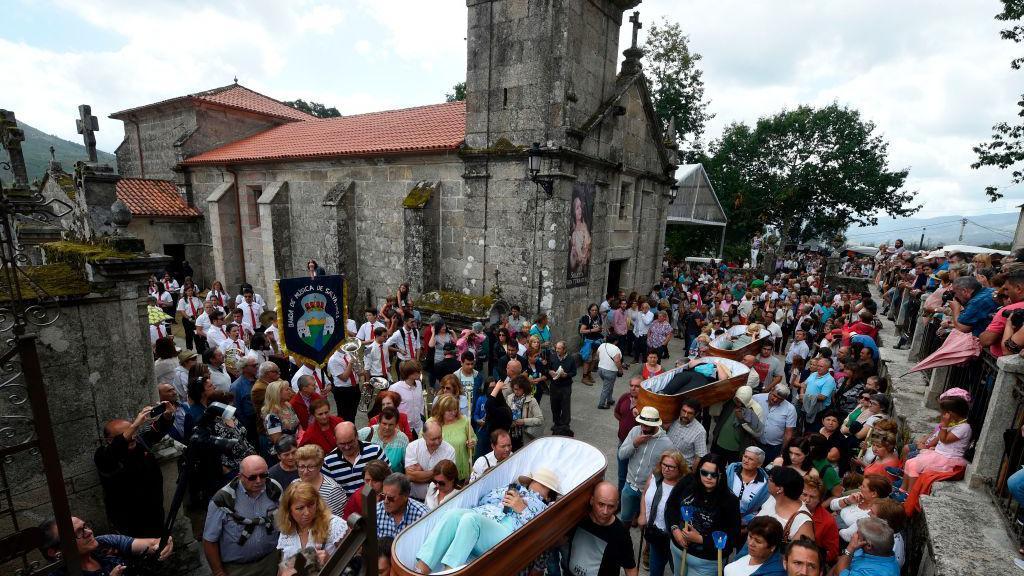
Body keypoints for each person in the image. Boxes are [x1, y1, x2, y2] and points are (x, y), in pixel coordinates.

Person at [413, 468, 560, 574]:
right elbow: (483, 500)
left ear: (549, 496)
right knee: (452, 514)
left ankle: (450, 572)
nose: (536, 484)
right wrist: (502, 497)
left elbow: (540, 531)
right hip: (484, 520)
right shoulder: (513, 488)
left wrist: (522, 509)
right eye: (535, 481)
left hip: (507, 535)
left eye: (542, 485)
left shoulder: (544, 508)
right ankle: (420, 569)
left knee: (471, 520)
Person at [94, 404, 172, 537]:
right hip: (129, 521)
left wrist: (167, 416)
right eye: (128, 433)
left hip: (154, 513)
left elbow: (156, 432)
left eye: (134, 432)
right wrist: (135, 425)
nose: (132, 437)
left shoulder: (140, 443)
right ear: (109, 440)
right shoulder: (104, 456)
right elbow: (116, 448)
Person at [203, 455, 281, 576]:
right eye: (252, 477)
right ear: (240, 477)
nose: (259, 481)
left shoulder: (274, 489)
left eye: (263, 475)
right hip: (239, 569)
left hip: (271, 561)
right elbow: (209, 540)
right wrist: (218, 572)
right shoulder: (223, 500)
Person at [664, 454, 741, 576]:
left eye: (714, 474)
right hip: (678, 549)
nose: (708, 477)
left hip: (706, 561)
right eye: (704, 473)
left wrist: (700, 539)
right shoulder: (688, 482)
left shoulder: (730, 500)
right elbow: (671, 506)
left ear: (721, 475)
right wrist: (675, 530)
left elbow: (732, 536)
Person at [41, 516, 174, 576]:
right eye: (78, 533)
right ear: (54, 552)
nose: (89, 532)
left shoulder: (103, 542)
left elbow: (151, 544)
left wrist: (162, 543)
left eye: (85, 526)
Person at [901, 395, 971, 493]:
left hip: (948, 458)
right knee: (909, 462)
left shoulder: (964, 427)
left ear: (950, 413)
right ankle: (902, 490)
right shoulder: (955, 423)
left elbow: (944, 440)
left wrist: (944, 425)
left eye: (943, 412)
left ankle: (909, 494)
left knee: (913, 465)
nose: (941, 415)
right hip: (939, 454)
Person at [564, 481, 638, 576]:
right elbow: (561, 541)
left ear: (616, 505)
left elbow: (630, 569)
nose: (605, 511)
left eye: (611, 506)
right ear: (592, 500)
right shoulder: (579, 519)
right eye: (601, 504)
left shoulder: (620, 533)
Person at [619, 406, 674, 523]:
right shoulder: (635, 431)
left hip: (649, 491)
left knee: (645, 524)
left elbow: (670, 469)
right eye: (642, 423)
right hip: (629, 486)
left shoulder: (667, 443)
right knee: (624, 520)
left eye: (647, 425)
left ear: (656, 424)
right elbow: (621, 455)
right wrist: (634, 443)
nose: (643, 427)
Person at [275, 481, 348, 569]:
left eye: (311, 505)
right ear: (289, 511)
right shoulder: (287, 529)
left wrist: (330, 561)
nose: (307, 512)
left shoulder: (334, 525)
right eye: (300, 508)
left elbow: (354, 560)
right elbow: (282, 569)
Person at [638, 451, 689, 576]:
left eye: (671, 466)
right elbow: (644, 494)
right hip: (655, 534)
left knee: (677, 570)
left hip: (674, 538)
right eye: (664, 464)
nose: (666, 469)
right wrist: (642, 514)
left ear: (680, 469)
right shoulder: (654, 477)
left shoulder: (684, 488)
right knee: (655, 570)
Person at [322, 422, 388, 495]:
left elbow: (389, 477)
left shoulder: (375, 451)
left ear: (357, 436)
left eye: (350, 442)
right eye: (342, 444)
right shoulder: (328, 462)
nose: (347, 447)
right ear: (335, 440)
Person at [753, 467, 815, 544]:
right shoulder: (772, 498)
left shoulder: (803, 521)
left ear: (780, 489)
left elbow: (800, 553)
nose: (767, 481)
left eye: (771, 480)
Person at [829, 474, 891, 543]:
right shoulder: (858, 497)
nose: (859, 487)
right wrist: (847, 501)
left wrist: (836, 519)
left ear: (873, 494)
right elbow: (832, 505)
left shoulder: (872, 514)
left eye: (863, 486)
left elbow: (847, 536)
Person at [404, 420, 456, 500]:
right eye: (433, 439)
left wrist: (421, 472)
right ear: (424, 436)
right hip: (415, 499)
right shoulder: (412, 447)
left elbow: (447, 478)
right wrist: (437, 472)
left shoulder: (449, 450)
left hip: (439, 501)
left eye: (439, 437)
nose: (437, 442)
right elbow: (410, 476)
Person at [428, 393, 475, 480]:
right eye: (449, 410)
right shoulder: (431, 423)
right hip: (439, 470)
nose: (453, 413)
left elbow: (473, 437)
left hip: (460, 468)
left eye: (455, 409)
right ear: (441, 410)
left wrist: (472, 443)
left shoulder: (464, 421)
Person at [714, 386, 765, 464]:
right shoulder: (730, 403)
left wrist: (742, 420)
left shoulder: (756, 409)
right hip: (719, 444)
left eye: (741, 402)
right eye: (736, 400)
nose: (738, 404)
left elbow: (758, 432)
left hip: (736, 449)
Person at [832, 517, 899, 576]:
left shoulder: (875, 573)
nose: (854, 535)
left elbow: (838, 574)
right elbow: (847, 555)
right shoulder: (874, 550)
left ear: (869, 546)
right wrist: (844, 554)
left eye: (857, 533)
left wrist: (850, 548)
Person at [725, 446, 770, 527]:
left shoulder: (764, 485)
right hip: (723, 514)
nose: (746, 461)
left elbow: (761, 508)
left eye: (751, 459)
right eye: (745, 456)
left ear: (759, 464)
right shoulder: (730, 472)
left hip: (745, 524)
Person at [377, 473, 430, 540]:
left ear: (405, 496)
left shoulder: (423, 516)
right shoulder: (376, 512)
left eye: (390, 498)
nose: (385, 501)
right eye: (383, 496)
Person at [753, 384, 798, 462]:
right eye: (774, 395)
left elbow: (788, 433)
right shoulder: (756, 398)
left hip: (774, 448)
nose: (775, 399)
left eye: (780, 399)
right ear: (772, 389)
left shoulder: (790, 409)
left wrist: (782, 452)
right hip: (755, 443)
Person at [360, 406, 410, 473]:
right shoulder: (366, 433)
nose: (387, 427)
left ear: (396, 425)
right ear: (379, 422)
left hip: (393, 480)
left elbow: (407, 465)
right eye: (384, 424)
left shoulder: (402, 440)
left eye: (391, 425)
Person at [614, 376, 642, 492]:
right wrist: (624, 422)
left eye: (637, 386)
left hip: (638, 446)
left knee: (635, 478)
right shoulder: (624, 397)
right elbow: (616, 413)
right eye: (631, 385)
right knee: (621, 475)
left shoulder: (646, 403)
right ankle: (620, 500)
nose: (633, 388)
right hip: (623, 443)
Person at [503, 374, 544, 450]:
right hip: (511, 435)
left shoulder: (531, 400)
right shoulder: (509, 398)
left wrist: (524, 421)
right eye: (515, 389)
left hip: (525, 437)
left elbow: (540, 420)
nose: (516, 391)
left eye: (519, 389)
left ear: (524, 388)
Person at [666, 398, 708, 469]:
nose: (685, 415)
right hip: (665, 462)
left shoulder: (700, 432)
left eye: (690, 413)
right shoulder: (673, 419)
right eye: (683, 411)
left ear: (696, 414)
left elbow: (700, 456)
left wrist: (691, 475)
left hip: (682, 469)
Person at [390, 360, 426, 438]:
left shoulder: (419, 384)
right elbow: (391, 409)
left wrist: (421, 415)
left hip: (418, 427)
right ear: (409, 373)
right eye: (417, 371)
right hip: (403, 429)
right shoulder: (395, 388)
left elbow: (421, 402)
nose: (420, 373)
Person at [547, 340, 577, 435]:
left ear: (564, 350)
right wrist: (549, 372)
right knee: (554, 405)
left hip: (565, 386)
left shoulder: (571, 359)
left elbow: (574, 372)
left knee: (565, 406)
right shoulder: (552, 357)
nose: (557, 350)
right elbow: (547, 367)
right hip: (554, 386)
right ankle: (556, 424)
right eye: (556, 348)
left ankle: (565, 426)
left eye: (559, 348)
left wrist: (566, 375)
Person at [262, 380, 299, 445]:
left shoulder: (288, 405)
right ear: (277, 393)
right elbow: (277, 440)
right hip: (286, 450)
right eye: (287, 390)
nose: (290, 392)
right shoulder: (272, 415)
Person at [595, 334, 623, 409]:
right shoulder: (616, 349)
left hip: (600, 369)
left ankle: (610, 399)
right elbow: (617, 360)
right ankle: (601, 404)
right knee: (606, 387)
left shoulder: (602, 345)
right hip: (610, 371)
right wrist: (620, 370)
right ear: (616, 341)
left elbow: (597, 355)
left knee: (609, 385)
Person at [579, 303, 604, 384]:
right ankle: (584, 377)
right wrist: (593, 330)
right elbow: (582, 330)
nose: (594, 311)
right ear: (589, 310)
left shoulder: (598, 316)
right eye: (592, 310)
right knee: (587, 360)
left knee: (594, 359)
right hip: (589, 341)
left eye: (596, 310)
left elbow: (599, 326)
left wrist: (600, 329)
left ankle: (589, 374)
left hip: (597, 340)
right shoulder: (586, 318)